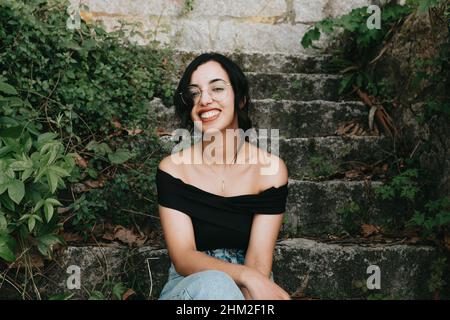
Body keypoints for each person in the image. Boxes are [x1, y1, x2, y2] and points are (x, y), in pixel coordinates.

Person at [156, 53, 290, 300]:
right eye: (195, 93)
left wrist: (250, 282)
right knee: (216, 285)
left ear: (241, 99)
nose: (205, 99)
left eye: (217, 88)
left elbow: (259, 261)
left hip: (253, 281)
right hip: (190, 286)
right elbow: (184, 257)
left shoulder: (270, 169)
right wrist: (245, 276)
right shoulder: (174, 169)